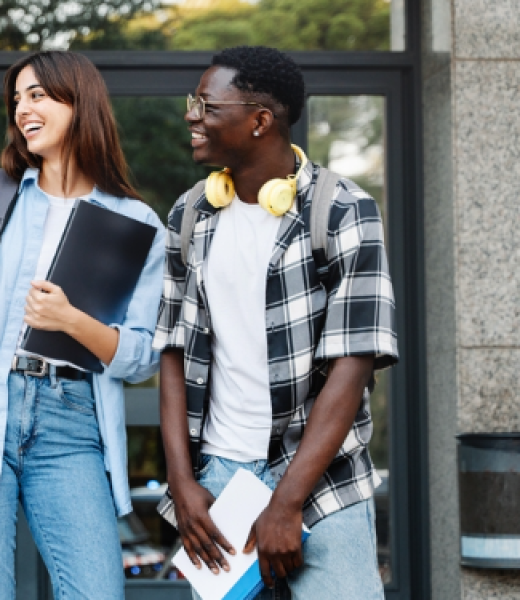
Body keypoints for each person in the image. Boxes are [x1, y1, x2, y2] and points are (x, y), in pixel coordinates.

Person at [0, 50, 166, 599]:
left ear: (80, 103)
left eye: (38, 96)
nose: (22, 109)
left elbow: (143, 355)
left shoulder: (135, 222)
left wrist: (71, 321)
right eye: (17, 99)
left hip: (72, 425)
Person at [154, 46, 397, 598]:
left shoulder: (342, 209)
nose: (192, 116)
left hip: (322, 481)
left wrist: (286, 502)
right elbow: (172, 351)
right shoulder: (189, 214)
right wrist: (182, 482)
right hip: (218, 482)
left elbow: (353, 362)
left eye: (207, 106)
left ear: (261, 121)